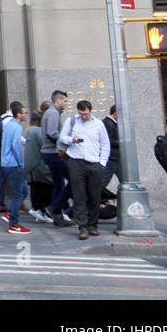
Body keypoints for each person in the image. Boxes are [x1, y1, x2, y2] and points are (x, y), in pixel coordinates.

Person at [57, 99, 110, 240]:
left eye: (85, 114)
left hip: (94, 163)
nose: (83, 116)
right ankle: (82, 226)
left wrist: (102, 163)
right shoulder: (72, 121)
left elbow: (105, 144)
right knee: (78, 195)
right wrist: (72, 140)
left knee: (94, 195)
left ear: (90, 111)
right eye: (81, 114)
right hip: (76, 161)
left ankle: (93, 224)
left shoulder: (98, 124)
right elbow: (62, 138)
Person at [40, 90, 75, 227]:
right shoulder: (53, 113)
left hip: (50, 153)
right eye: (65, 100)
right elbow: (52, 133)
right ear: (58, 100)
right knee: (73, 179)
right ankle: (55, 207)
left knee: (59, 184)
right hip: (53, 154)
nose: (66, 103)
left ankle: (58, 216)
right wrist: (68, 140)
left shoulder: (52, 113)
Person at [0, 101, 30, 234]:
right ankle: (14, 224)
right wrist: (20, 162)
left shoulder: (9, 125)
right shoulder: (16, 127)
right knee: (18, 194)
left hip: (7, 163)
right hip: (14, 164)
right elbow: (16, 146)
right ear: (18, 114)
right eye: (24, 113)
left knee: (23, 191)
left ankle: (11, 215)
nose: (26, 115)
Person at [24, 112, 53, 223]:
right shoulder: (37, 131)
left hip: (33, 165)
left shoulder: (29, 130)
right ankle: (40, 210)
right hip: (39, 165)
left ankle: (39, 212)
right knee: (48, 186)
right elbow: (46, 144)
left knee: (37, 189)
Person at [0, 105, 14, 213]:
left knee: (2, 175)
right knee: (9, 175)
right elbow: (12, 136)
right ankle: (2, 203)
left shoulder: (2, 117)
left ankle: (1, 202)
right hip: (5, 149)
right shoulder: (9, 119)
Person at [101, 105, 120, 195]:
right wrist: (122, 143)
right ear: (116, 113)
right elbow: (107, 141)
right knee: (102, 182)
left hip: (115, 158)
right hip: (111, 158)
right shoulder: (108, 123)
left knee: (126, 180)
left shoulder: (110, 123)